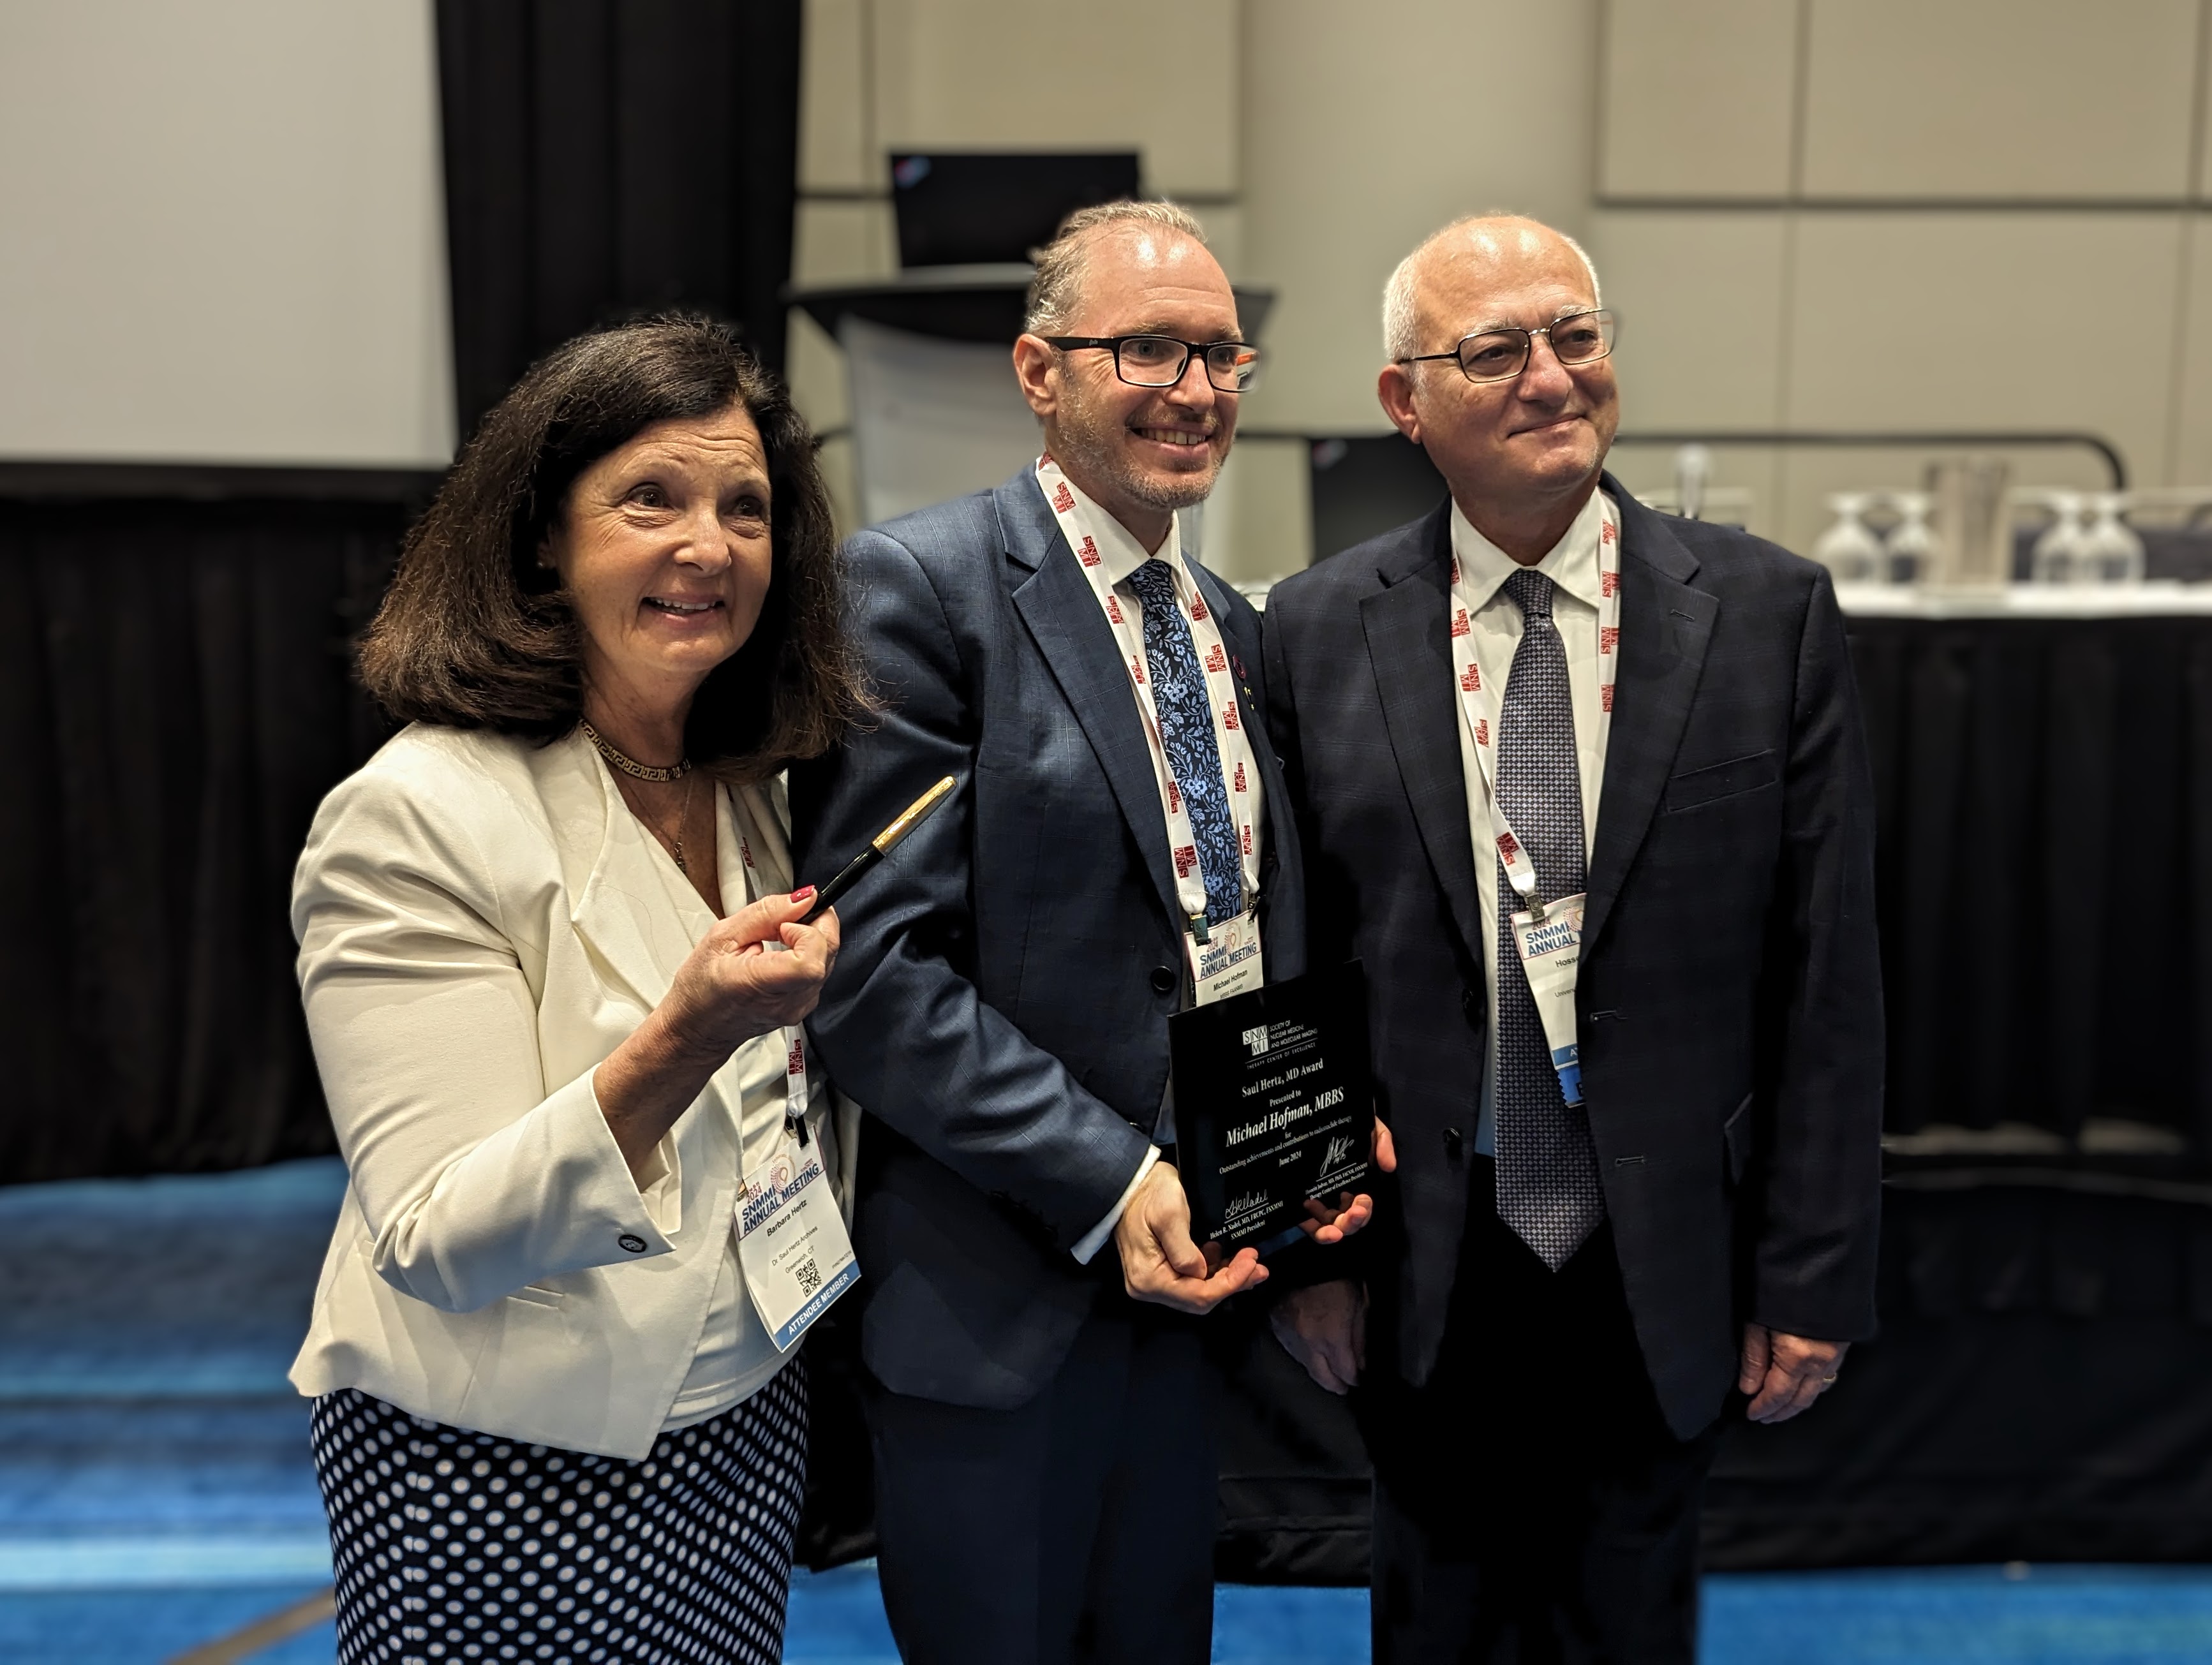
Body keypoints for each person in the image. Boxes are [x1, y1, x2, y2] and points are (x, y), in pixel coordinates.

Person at [1261, 216, 1884, 1661]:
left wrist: (1811, 1273)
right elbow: (1287, 965)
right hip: (1427, 1247)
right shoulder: (1309, 630)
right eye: (1495, 351)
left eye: (1576, 338)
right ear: (1403, 403)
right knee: (1435, 1618)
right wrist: (1309, 1248)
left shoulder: (1767, 614)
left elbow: (1828, 975)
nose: (1551, 377)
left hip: (1668, 1238)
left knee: (1633, 1618)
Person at [789, 200, 1387, 1665]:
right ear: (1038, 371)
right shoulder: (920, 590)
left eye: (1221, 354)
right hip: (1003, 1306)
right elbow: (869, 972)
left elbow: (1238, 937)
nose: (1196, 390)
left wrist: (1295, 1200)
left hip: (1193, 1309)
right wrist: (1115, 1183)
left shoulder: (1237, 627)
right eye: (1148, 350)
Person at [289, 314, 869, 1665]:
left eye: (745, 508)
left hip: (741, 1426)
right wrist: (686, 1035)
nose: (707, 547)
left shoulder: (752, 792)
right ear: (545, 537)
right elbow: (439, 1232)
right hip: (505, 1461)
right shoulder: (413, 816)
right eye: (649, 499)